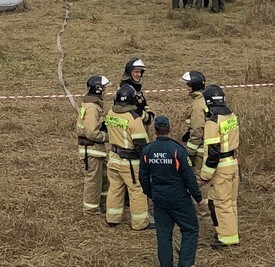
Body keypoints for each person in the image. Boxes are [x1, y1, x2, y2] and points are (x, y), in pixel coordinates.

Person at [141, 115, 202, 267]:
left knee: (163, 235)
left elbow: (143, 177)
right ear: (170, 130)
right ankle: (185, 264)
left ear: (155, 131)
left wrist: (151, 194)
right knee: (190, 229)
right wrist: (198, 197)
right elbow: (189, 177)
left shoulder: (147, 150)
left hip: (159, 199)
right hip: (179, 198)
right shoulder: (178, 150)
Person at [104, 84, 152, 229]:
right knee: (137, 190)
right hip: (130, 163)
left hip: (113, 158)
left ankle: (112, 218)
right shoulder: (133, 119)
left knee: (115, 189)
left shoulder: (110, 112)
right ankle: (139, 223)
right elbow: (142, 144)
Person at [200, 84, 241, 249]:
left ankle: (226, 238)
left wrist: (205, 175)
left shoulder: (212, 123)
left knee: (220, 203)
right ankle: (231, 232)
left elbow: (212, 153)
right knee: (231, 202)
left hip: (221, 169)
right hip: (233, 164)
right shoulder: (231, 116)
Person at [75, 75, 110, 215]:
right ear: (98, 90)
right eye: (104, 89)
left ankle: (102, 206)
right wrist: (109, 137)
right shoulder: (92, 108)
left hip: (96, 151)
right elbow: (92, 133)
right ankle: (90, 210)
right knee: (94, 181)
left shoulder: (91, 105)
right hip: (92, 150)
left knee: (103, 179)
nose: (106, 92)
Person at [180, 71, 208, 172]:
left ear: (194, 86)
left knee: (198, 179)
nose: (186, 88)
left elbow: (197, 130)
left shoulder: (197, 105)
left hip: (200, 153)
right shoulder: (205, 99)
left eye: (188, 85)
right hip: (207, 149)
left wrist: (189, 152)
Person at [119, 58, 155, 130]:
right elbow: (132, 110)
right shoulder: (125, 89)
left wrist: (149, 112)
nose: (139, 74)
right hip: (132, 127)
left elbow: (143, 102)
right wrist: (148, 118)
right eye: (136, 72)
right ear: (129, 73)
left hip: (140, 124)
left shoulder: (135, 87)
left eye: (140, 72)